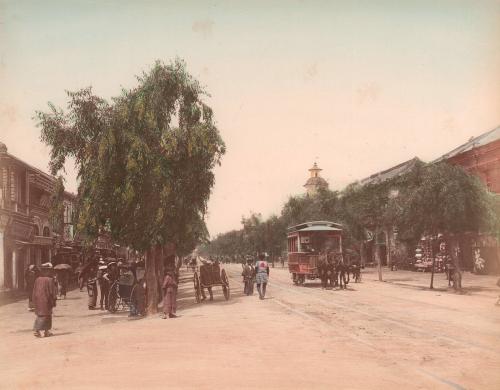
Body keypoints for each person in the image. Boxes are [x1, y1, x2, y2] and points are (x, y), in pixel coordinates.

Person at [32, 263, 57, 338]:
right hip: (47, 300)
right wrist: (54, 301)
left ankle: (46, 331)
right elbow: (53, 292)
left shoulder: (37, 279)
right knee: (46, 315)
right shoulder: (50, 280)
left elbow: (34, 291)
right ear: (47, 271)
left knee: (41, 315)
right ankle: (37, 330)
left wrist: (34, 300)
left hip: (37, 300)